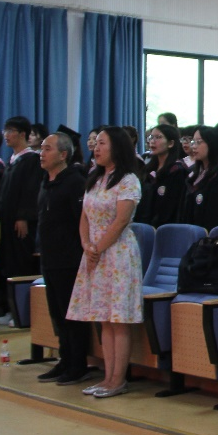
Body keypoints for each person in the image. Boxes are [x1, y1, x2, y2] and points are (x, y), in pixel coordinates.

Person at [68, 127, 143, 399]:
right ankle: (107, 377)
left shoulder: (128, 180)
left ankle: (117, 380)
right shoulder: (96, 178)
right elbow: (84, 216)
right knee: (103, 319)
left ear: (117, 148)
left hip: (117, 253)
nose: (96, 148)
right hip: (94, 254)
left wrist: (97, 248)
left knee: (118, 319)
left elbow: (121, 221)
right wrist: (86, 244)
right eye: (95, 143)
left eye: (102, 143)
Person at [35, 133, 92, 386]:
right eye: (42, 148)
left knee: (72, 315)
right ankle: (64, 359)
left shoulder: (75, 182)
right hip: (49, 258)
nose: (42, 153)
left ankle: (78, 364)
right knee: (57, 314)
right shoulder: (46, 181)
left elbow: (82, 221)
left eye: (48, 149)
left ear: (63, 154)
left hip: (69, 259)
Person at [0, 116, 45, 326]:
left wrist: (23, 216)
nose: (6, 135)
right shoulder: (12, 160)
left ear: (23, 134)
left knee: (19, 265)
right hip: (5, 223)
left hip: (21, 224)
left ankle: (21, 312)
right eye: (5, 131)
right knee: (6, 265)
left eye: (10, 131)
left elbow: (31, 191)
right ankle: (8, 307)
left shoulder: (31, 159)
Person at [181, 126, 218, 230]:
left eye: (199, 142)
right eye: (193, 142)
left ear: (212, 144)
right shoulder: (194, 176)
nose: (193, 146)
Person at [138, 123, 188, 227]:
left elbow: (172, 207)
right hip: (144, 225)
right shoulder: (148, 169)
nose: (152, 141)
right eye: (151, 137)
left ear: (170, 143)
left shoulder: (177, 171)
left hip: (165, 227)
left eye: (158, 137)